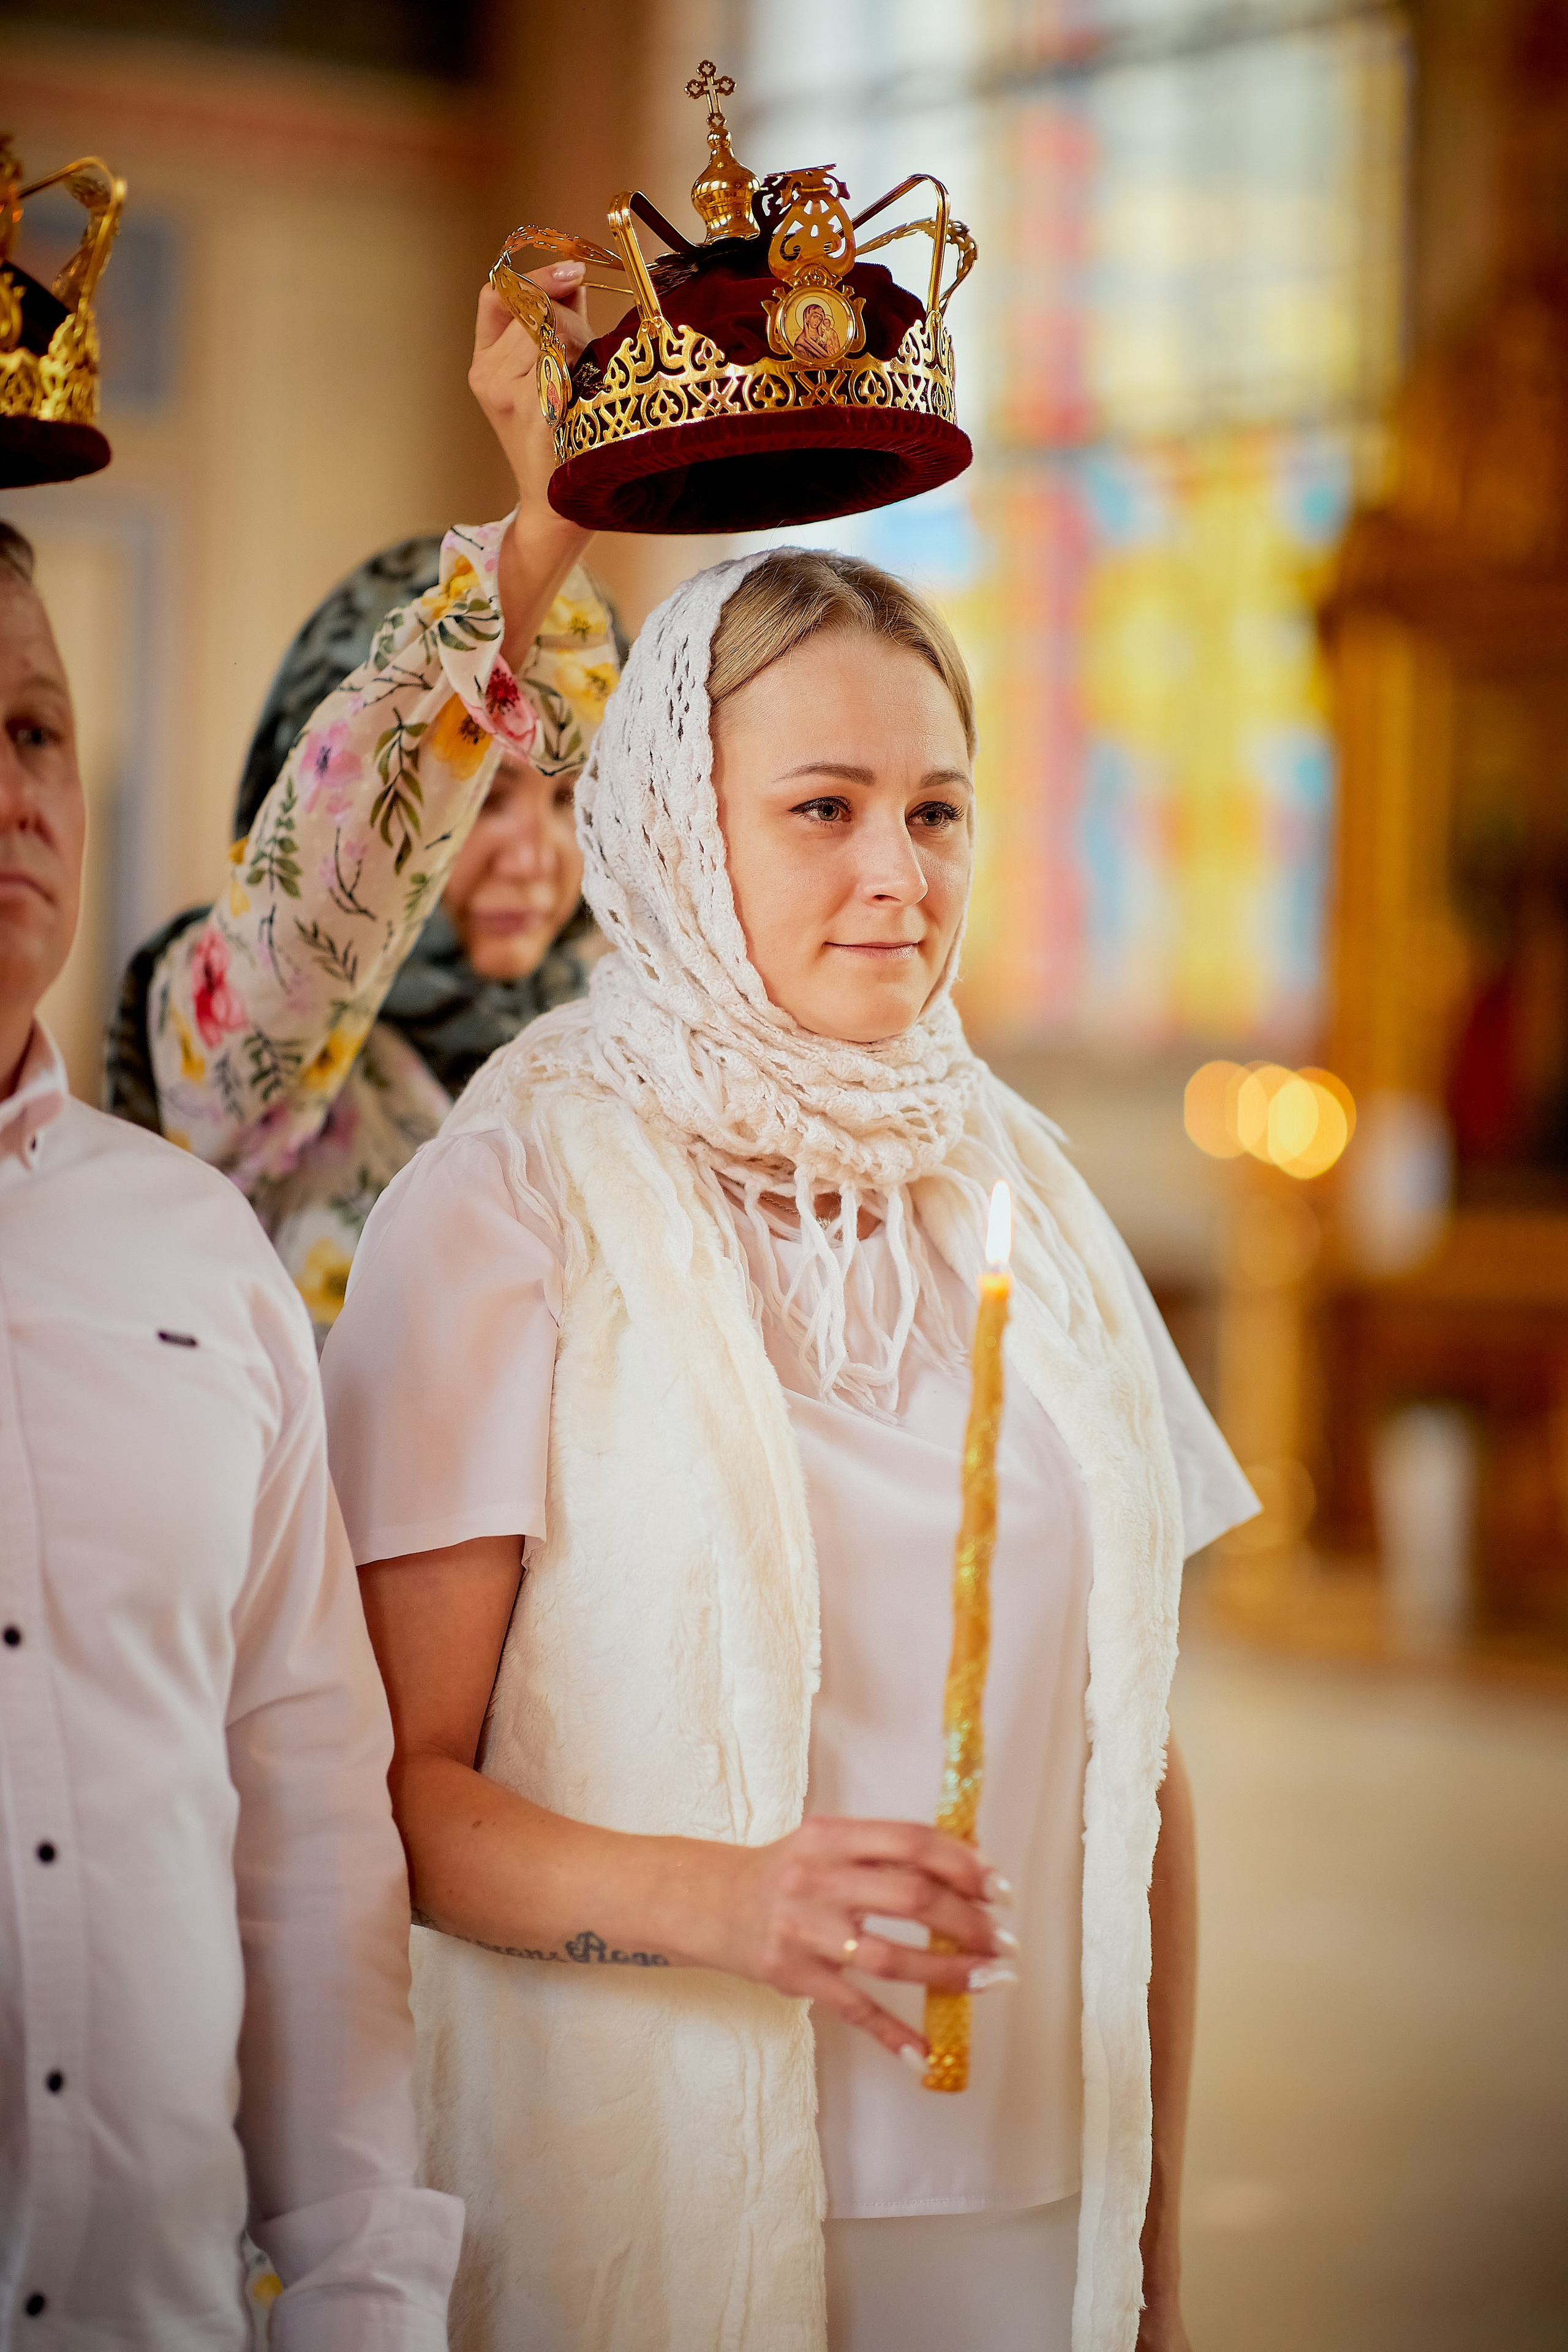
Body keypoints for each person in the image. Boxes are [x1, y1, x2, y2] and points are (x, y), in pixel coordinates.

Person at [321, 545, 1258, 2351]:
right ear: (683, 826)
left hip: (1033, 2194)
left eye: (937, 810)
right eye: (823, 809)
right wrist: (733, 1902)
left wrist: (1146, 2263)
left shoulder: (1028, 1191)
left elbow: (1140, 1770)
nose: (897, 879)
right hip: (658, 2183)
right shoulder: (513, 1195)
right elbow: (390, 1800)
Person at [0, 514, 461, 2343]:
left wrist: (359, 2293)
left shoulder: (194, 1253)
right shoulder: (249, 1057)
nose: (15, 790)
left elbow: (304, 1828)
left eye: (36, 732)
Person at [110, 262, 620, 1339]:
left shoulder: (608, 1040)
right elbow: (338, 880)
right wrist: (542, 535)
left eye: (572, 800)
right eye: (486, 799)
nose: (539, 857)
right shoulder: (242, 1032)